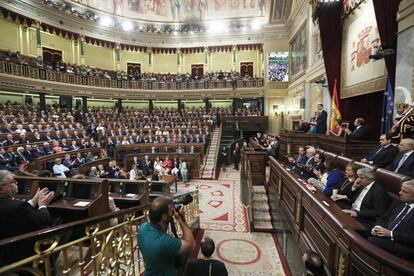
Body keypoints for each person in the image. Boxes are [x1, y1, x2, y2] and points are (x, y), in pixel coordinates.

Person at [0, 170, 54, 264]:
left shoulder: (15, 206)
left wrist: (33, 201)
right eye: (13, 182)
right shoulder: (18, 207)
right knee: (59, 226)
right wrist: (43, 205)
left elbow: (13, 211)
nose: (17, 183)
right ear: (1, 189)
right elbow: (43, 220)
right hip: (16, 254)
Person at [138, 196, 195, 275]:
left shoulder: (142, 228)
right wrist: (181, 219)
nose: (173, 211)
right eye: (171, 210)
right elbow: (191, 244)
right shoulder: (164, 241)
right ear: (164, 216)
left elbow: (162, 229)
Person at [368, 179, 414, 260]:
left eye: (405, 192)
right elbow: (384, 217)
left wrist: (391, 234)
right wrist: (378, 226)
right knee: (360, 231)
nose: (400, 193)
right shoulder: (399, 201)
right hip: (386, 234)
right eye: (401, 190)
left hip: (403, 245)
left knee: (371, 240)